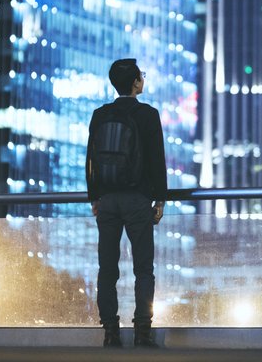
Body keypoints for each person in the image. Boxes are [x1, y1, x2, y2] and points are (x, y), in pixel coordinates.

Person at [86, 58, 167, 348]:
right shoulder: (148, 114)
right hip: (137, 199)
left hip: (106, 200)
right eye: (141, 76)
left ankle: (110, 331)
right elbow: (157, 159)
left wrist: (94, 196)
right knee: (143, 268)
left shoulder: (100, 114)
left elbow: (91, 158)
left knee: (107, 268)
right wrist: (161, 199)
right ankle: (143, 331)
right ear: (135, 83)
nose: (142, 79)